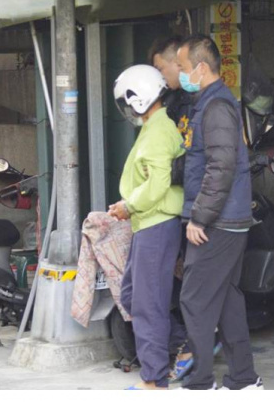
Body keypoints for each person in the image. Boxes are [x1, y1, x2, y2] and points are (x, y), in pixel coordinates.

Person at [175, 34, 262, 390]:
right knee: (226, 299)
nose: (180, 75)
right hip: (228, 218)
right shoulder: (212, 105)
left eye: (182, 67)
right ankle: (243, 379)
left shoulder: (216, 108)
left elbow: (221, 166)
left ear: (200, 68)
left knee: (194, 298)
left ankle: (200, 383)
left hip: (218, 221)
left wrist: (200, 217)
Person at [150, 35, 224, 382]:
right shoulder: (180, 102)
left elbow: (215, 164)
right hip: (189, 207)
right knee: (199, 287)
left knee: (194, 290)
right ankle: (235, 372)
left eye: (169, 67)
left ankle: (199, 362)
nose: (168, 74)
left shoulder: (210, 104)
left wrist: (200, 216)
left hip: (201, 211)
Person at [110, 65, 186, 390]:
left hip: (156, 222)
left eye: (127, 104)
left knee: (148, 304)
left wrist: (128, 205)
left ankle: (153, 380)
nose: (127, 111)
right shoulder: (153, 126)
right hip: (148, 223)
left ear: (139, 100)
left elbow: (157, 185)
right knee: (131, 296)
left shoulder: (157, 131)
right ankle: (185, 342)